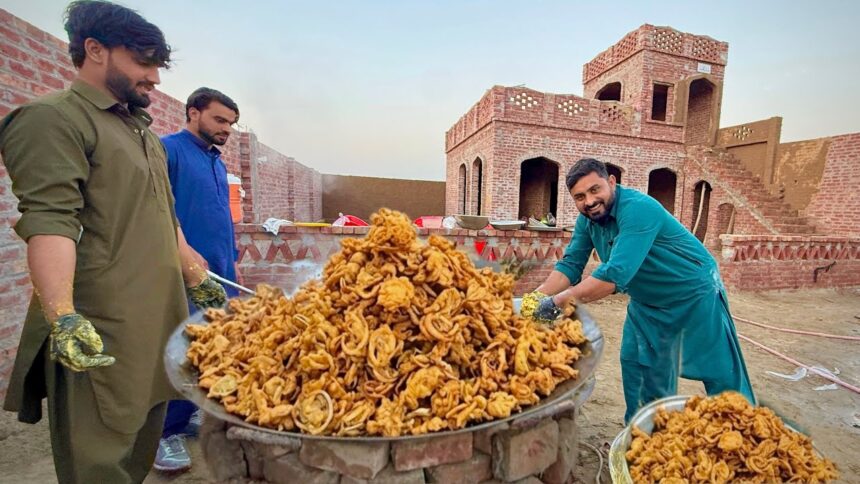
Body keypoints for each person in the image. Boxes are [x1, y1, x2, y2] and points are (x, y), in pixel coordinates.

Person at [0, 2, 226, 482]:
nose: (155, 79)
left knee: (139, 450)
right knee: (100, 461)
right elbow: (50, 221)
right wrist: (63, 315)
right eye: (144, 62)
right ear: (95, 50)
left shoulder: (139, 131)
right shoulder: (52, 120)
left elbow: (164, 216)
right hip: (103, 325)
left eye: (157, 65)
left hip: (156, 319)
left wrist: (194, 271)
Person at [522, 158, 755, 423]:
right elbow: (571, 264)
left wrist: (557, 302)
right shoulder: (587, 220)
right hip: (647, 300)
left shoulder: (638, 209)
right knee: (639, 364)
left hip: (692, 293)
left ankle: (745, 429)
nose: (589, 201)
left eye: (595, 190)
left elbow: (614, 275)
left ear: (612, 182)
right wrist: (535, 298)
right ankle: (646, 432)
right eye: (580, 196)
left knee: (719, 370)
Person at [154, 87, 242, 472]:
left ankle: (188, 413)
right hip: (181, 275)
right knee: (179, 347)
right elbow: (156, 213)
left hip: (220, 274)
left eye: (231, 124)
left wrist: (233, 266)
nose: (226, 129)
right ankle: (163, 434)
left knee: (208, 347)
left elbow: (220, 218)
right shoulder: (167, 150)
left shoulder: (216, 162)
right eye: (219, 120)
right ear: (193, 113)